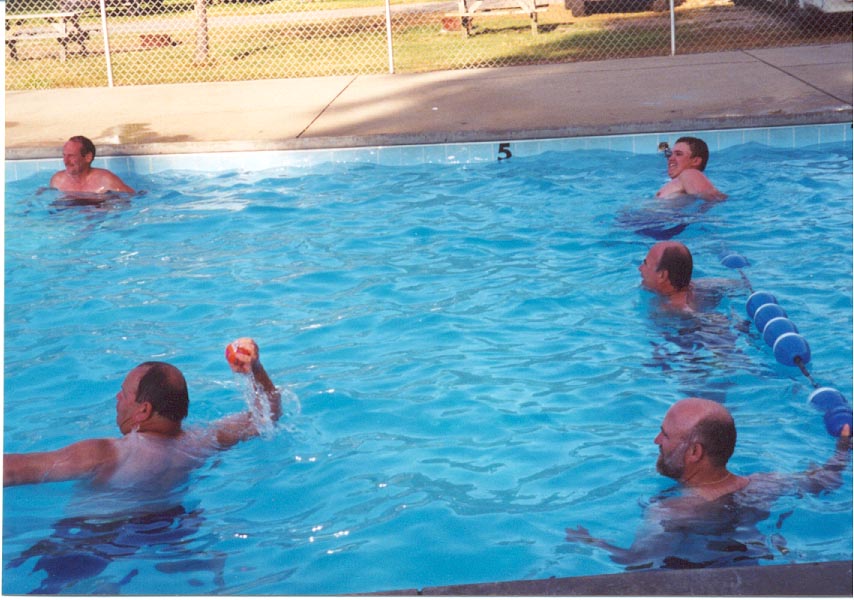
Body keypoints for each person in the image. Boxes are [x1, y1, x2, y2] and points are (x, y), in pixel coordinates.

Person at [565, 397, 852, 569]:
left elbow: (635, 561)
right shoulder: (766, 484)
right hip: (752, 563)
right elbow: (827, 481)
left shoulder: (673, 512)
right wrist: (843, 447)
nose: (656, 441)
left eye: (665, 435)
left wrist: (590, 542)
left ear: (694, 452)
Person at [3, 337, 280, 489]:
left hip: (98, 539)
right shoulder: (203, 441)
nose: (117, 398)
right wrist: (255, 369)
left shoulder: (109, 452)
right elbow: (267, 414)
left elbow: (13, 472)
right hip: (172, 530)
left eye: (124, 393)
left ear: (143, 411)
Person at [49, 135, 135, 195]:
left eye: (71, 156)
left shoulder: (106, 180)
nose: (65, 161)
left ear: (88, 157)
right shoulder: (58, 181)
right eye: (64, 155)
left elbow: (133, 197)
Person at [657, 137, 726, 201]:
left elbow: (714, 198)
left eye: (678, 154)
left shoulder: (690, 173)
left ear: (695, 161)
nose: (670, 158)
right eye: (670, 154)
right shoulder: (680, 181)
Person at [639, 240, 697, 312]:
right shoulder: (700, 287)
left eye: (645, 263)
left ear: (662, 275)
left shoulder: (669, 312)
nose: (640, 268)